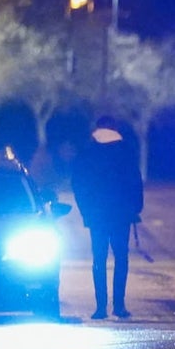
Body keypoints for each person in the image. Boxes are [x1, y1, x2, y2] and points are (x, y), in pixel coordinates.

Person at [71, 116, 144, 320]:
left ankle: (100, 307)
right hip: (121, 214)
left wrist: (86, 209)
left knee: (99, 259)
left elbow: (78, 183)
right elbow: (135, 181)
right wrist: (135, 208)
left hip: (97, 215)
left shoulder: (87, 152)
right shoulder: (125, 151)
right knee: (121, 259)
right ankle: (119, 306)